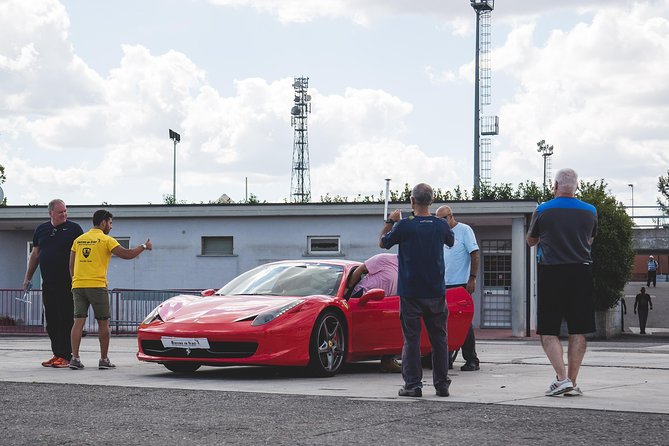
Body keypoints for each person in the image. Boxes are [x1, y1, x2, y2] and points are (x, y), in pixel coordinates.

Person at [526, 168, 597, 397]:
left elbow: (531, 241)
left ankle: (561, 378)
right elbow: (590, 239)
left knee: (548, 330)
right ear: (577, 185)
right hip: (581, 271)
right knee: (579, 329)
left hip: (552, 272)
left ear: (555, 185)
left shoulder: (543, 210)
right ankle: (572, 382)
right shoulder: (591, 211)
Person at [380, 183, 454, 397]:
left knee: (411, 339)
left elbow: (383, 243)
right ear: (431, 201)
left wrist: (390, 222)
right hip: (436, 291)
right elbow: (450, 241)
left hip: (411, 291)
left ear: (412, 201)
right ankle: (442, 385)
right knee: (439, 339)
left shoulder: (404, 226)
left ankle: (413, 385)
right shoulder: (440, 225)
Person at [69, 210, 153, 370]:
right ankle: (103, 359)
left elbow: (71, 265)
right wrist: (144, 246)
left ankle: (75, 358)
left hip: (78, 285)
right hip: (97, 286)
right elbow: (127, 254)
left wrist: (75, 281)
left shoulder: (78, 240)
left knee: (78, 322)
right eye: (110, 223)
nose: (111, 227)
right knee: (103, 323)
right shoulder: (106, 240)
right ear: (103, 223)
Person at [23, 199, 84, 368]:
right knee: (51, 320)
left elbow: (82, 255)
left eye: (65, 211)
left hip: (67, 282)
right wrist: (28, 277)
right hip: (48, 282)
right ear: (50, 213)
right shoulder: (41, 229)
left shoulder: (74, 229)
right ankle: (57, 353)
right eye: (60, 212)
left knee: (65, 318)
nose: (64, 214)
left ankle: (66, 355)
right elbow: (35, 255)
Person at [435, 205, 480, 372]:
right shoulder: (439, 234)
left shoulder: (464, 230)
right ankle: (445, 358)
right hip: (442, 285)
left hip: (460, 284)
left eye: (443, 219)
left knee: (463, 323)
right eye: (438, 220)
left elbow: (474, 254)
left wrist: (472, 278)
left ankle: (471, 359)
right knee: (442, 323)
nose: (441, 222)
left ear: (451, 216)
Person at [346, 253, 401, 373]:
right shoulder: (384, 259)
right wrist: (349, 287)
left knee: (390, 329)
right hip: (363, 298)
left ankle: (388, 360)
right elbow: (361, 269)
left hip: (388, 303)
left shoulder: (411, 266)